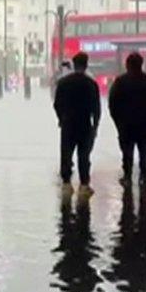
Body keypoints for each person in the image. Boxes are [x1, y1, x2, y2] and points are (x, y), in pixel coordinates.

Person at [108, 52, 146, 186]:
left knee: (127, 152)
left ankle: (127, 176)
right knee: (144, 152)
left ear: (127, 65)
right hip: (144, 126)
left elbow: (113, 104)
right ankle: (143, 176)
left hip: (126, 126)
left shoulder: (120, 82)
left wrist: (118, 123)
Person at [53, 52, 101, 194]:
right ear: (86, 65)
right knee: (84, 155)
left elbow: (57, 104)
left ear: (74, 65)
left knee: (66, 153)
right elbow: (96, 108)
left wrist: (61, 118)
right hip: (85, 124)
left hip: (68, 123)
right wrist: (95, 125)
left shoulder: (63, 83)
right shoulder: (91, 84)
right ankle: (84, 184)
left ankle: (67, 183)